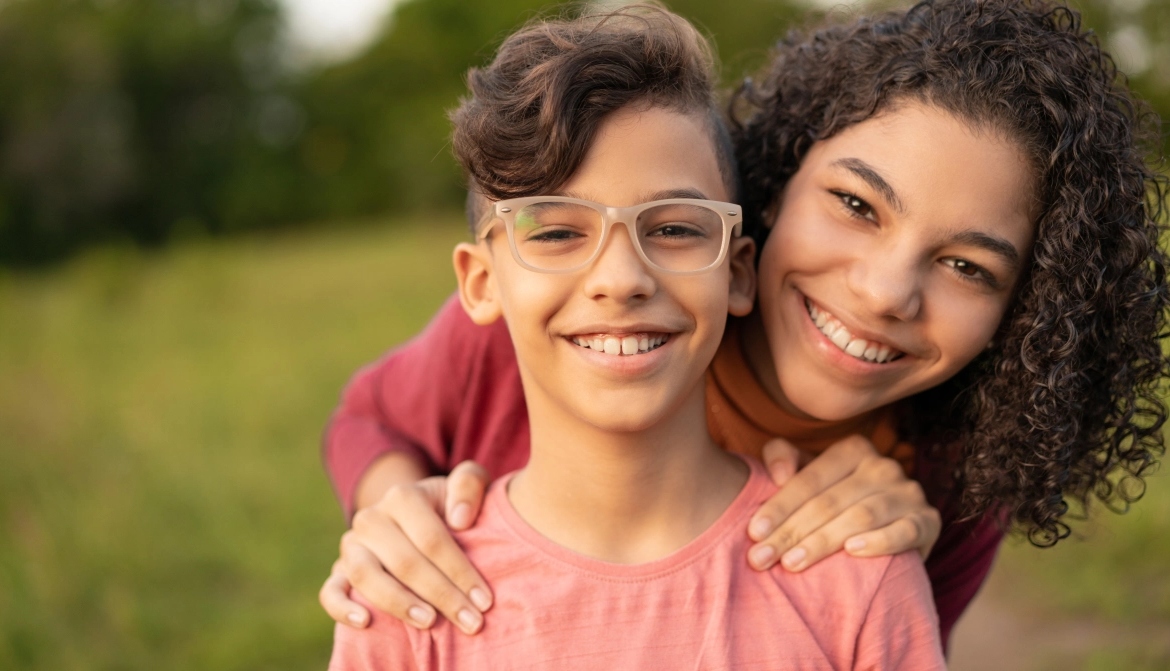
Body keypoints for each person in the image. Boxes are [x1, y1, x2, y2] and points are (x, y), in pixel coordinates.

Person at [321, 0, 1169, 653]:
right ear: (777, 183)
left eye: (966, 267)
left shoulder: (947, 491)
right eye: (853, 204)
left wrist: (891, 562)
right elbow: (370, 417)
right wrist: (395, 515)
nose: (883, 292)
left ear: (1024, 317)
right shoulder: (563, 310)